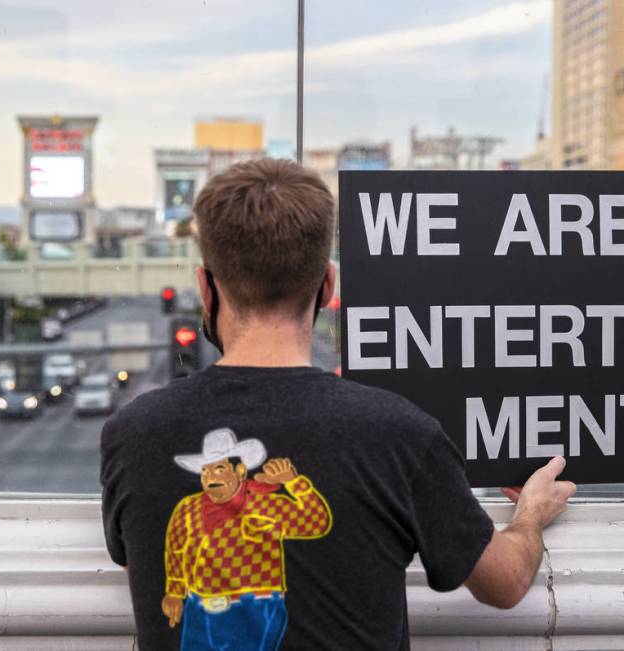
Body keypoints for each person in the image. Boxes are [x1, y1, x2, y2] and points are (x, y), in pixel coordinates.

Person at [100, 159, 576, 651]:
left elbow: (142, 560)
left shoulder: (132, 434)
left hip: (251, 609)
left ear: (205, 287)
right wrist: (532, 513)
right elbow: (506, 582)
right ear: (328, 286)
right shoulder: (401, 434)